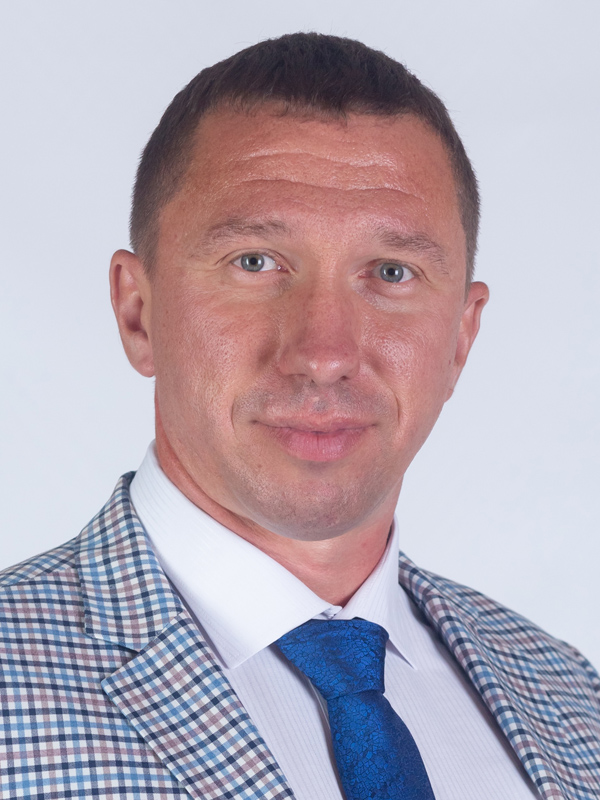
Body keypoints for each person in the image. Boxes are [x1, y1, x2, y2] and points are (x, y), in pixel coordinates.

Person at [1, 32, 599, 800]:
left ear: (461, 336)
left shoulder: (569, 698)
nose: (324, 353)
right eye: (255, 262)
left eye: (391, 272)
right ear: (138, 311)